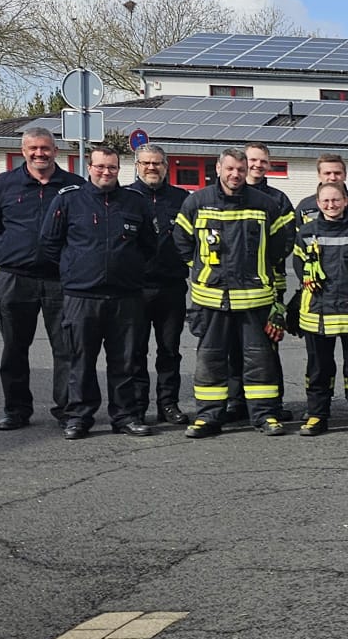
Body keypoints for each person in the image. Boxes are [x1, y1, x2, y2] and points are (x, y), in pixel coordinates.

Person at [36, 145, 157, 439]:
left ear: (119, 169)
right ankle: (78, 416)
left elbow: (149, 246)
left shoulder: (135, 202)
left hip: (124, 298)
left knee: (125, 361)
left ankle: (125, 416)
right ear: (89, 167)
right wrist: (75, 269)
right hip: (82, 297)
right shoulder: (69, 200)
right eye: (100, 167)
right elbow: (49, 244)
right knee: (79, 360)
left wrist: (126, 270)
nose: (106, 172)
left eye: (112, 167)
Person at [174, 148, 297, 438]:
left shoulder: (266, 204)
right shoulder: (197, 202)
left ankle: (265, 415)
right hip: (211, 299)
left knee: (260, 361)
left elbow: (282, 245)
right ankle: (208, 417)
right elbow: (181, 240)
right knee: (211, 361)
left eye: (240, 170)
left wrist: (258, 268)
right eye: (229, 169)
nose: (235, 175)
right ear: (218, 169)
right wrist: (202, 268)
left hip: (255, 298)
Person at [0, 126, 82, 429]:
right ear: (23, 151)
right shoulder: (3, 184)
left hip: (60, 280)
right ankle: (16, 410)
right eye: (33, 148)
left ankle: (67, 410)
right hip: (16, 278)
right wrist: (16, 250)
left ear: (56, 151)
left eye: (46, 148)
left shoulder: (74, 186)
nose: (40, 153)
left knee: (66, 348)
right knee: (14, 348)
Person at [287, 180, 348, 436]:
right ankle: (317, 416)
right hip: (315, 314)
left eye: (336, 200)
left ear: (346, 202)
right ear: (318, 204)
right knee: (318, 370)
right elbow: (299, 267)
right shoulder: (306, 233)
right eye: (326, 201)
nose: (331, 205)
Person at [220, 141, 295, 424]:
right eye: (253, 160)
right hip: (228, 288)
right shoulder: (223, 196)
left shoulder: (277, 199)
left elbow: (286, 240)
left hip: (268, 285)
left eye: (263, 161)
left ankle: (271, 404)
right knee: (231, 348)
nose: (257, 165)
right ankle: (236, 402)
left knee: (266, 348)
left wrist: (263, 265)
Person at [128, 143, 190, 426]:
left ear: (166, 166)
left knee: (169, 351)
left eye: (157, 163)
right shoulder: (124, 197)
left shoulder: (182, 199)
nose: (151, 168)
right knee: (135, 351)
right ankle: (138, 407)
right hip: (135, 288)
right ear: (137, 166)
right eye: (146, 163)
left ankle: (168, 404)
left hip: (171, 286)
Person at [295, 153, 348, 217]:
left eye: (337, 173)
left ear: (345, 175)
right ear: (319, 176)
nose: (333, 178)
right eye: (327, 173)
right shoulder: (305, 206)